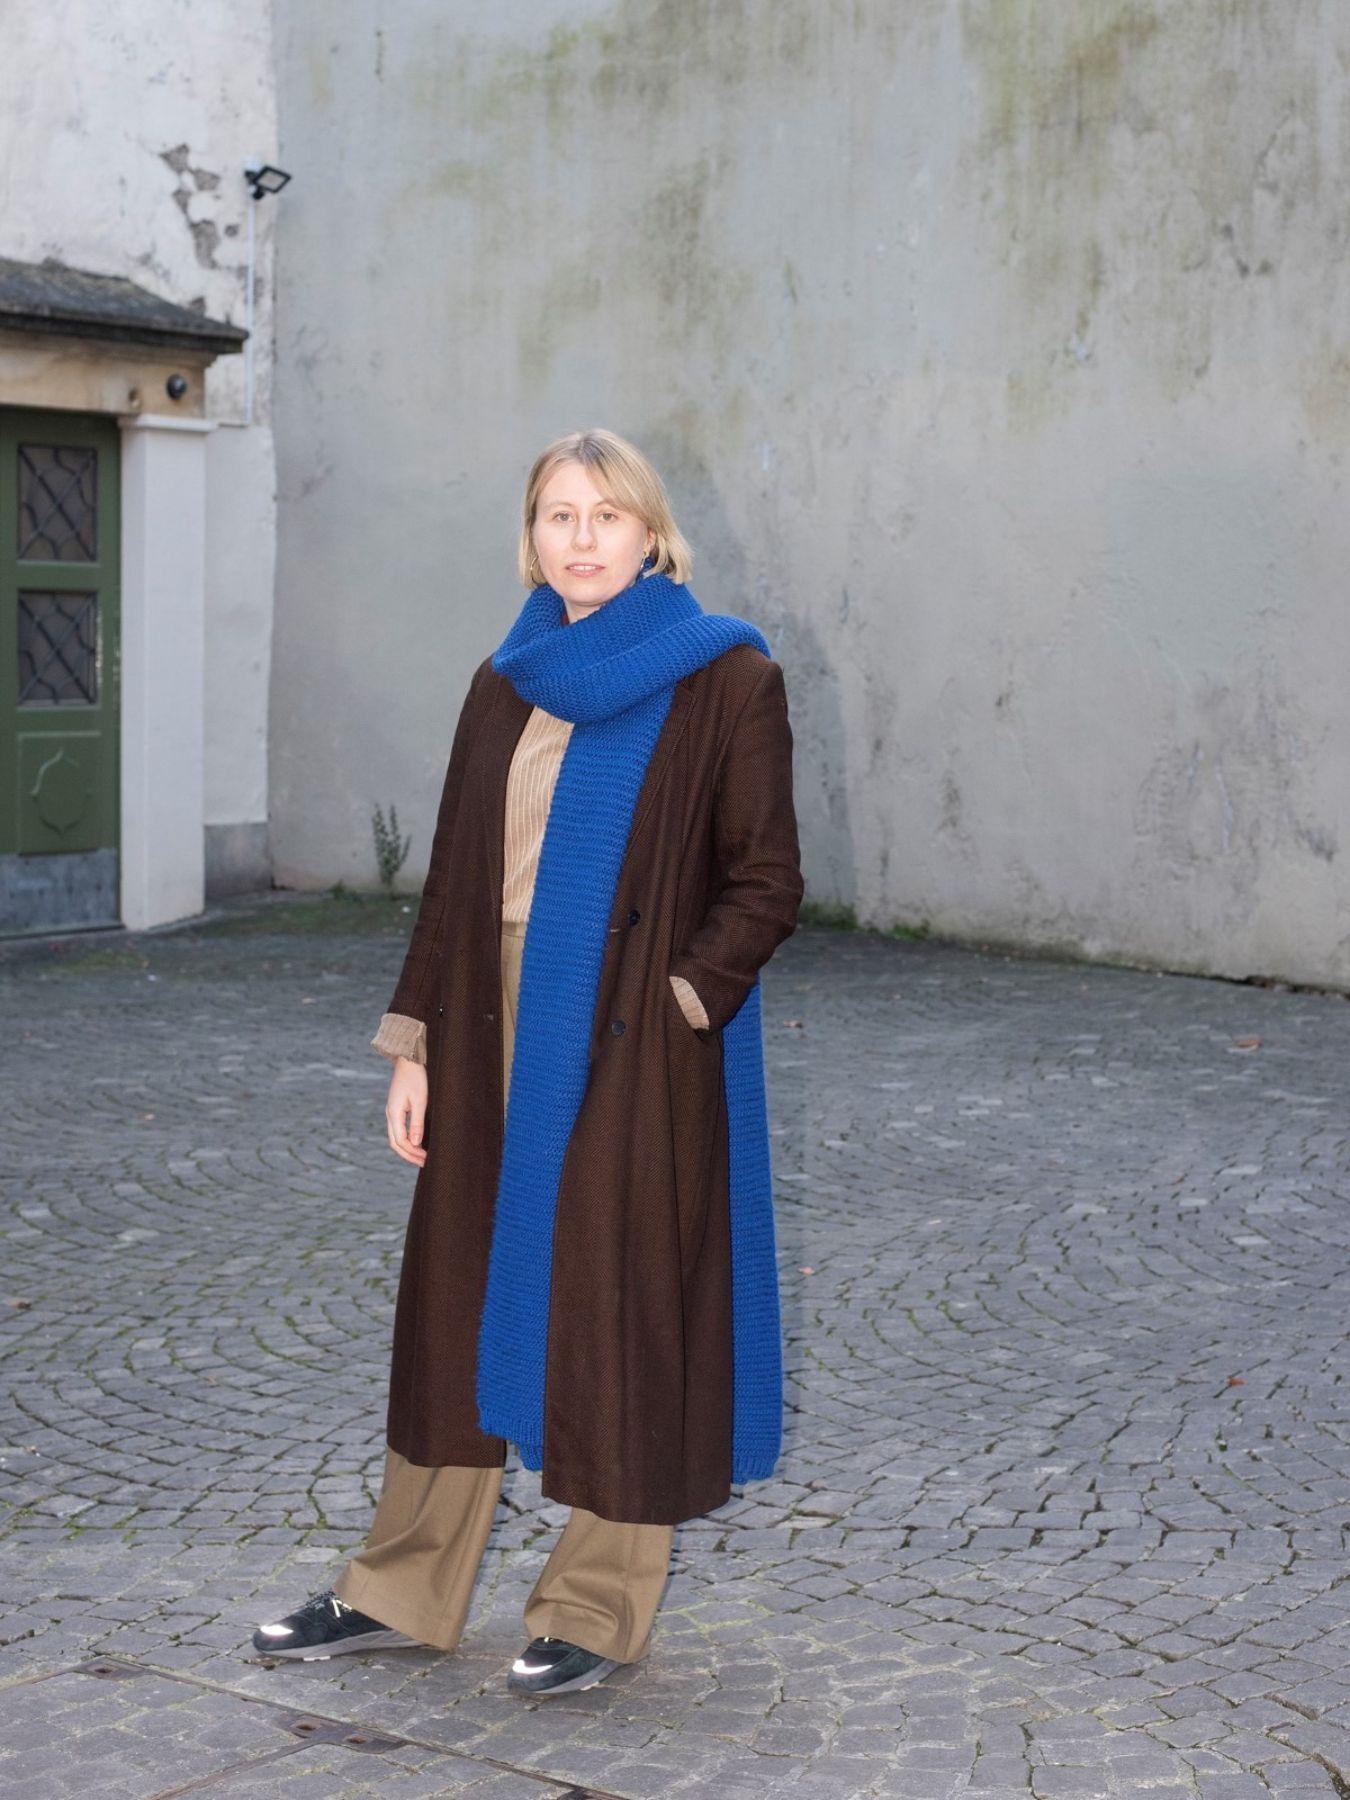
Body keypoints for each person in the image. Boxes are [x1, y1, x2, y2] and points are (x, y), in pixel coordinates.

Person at [252, 428, 804, 1696]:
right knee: (457, 1301)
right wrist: (415, 1045)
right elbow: (454, 881)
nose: (581, 537)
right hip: (489, 1022)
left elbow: (766, 881)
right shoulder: (507, 679)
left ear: (651, 535)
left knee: (617, 1298)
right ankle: (399, 1588)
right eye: (559, 515)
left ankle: (593, 1607)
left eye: (607, 515)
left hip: (632, 1031)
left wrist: (680, 1003)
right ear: (531, 537)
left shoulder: (727, 677)